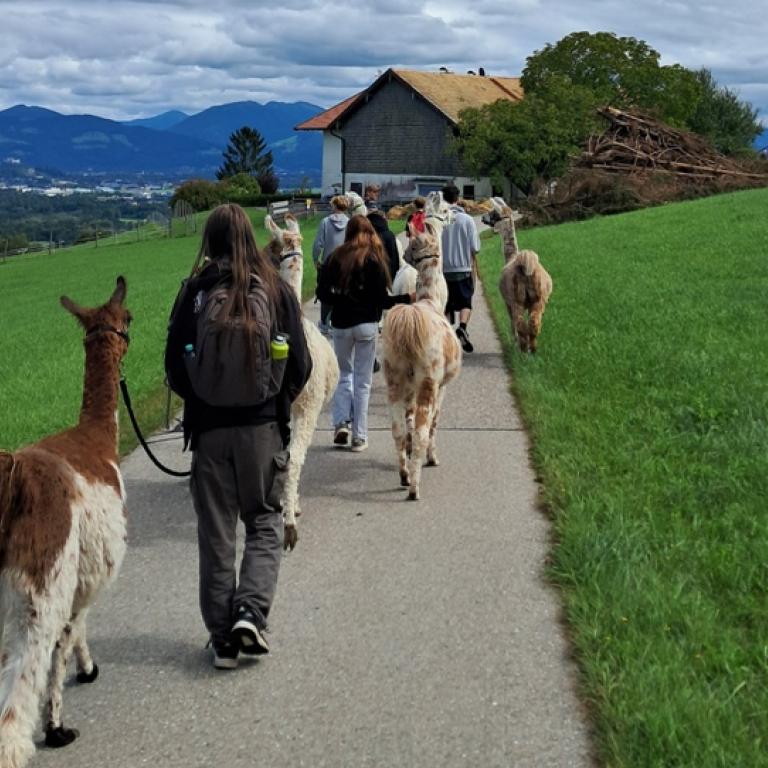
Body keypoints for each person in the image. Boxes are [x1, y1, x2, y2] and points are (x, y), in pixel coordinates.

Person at [165, 203, 312, 670]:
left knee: (216, 531)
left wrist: (203, 400)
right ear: (250, 236)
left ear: (209, 241)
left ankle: (222, 637)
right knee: (265, 519)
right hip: (262, 430)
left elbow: (174, 368)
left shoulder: (194, 292)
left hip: (209, 434)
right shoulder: (275, 288)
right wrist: (275, 402)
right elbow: (302, 364)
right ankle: (251, 611)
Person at [316, 215, 413, 452]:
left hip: (341, 323)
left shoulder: (334, 258)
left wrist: (340, 298)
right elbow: (382, 300)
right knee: (363, 381)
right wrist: (406, 299)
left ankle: (341, 423)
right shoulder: (375, 260)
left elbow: (323, 293)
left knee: (343, 375)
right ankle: (360, 436)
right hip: (368, 325)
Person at [440, 184, 481, 353]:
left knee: (447, 304)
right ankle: (462, 327)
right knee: (465, 302)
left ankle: (446, 335)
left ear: (443, 199)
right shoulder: (467, 220)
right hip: (463, 267)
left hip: (443, 269)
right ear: (458, 199)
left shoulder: (440, 219)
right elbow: (475, 247)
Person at [312, 195, 349, 334]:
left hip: (328, 264)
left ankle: (323, 324)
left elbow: (317, 245)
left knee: (325, 292)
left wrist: (316, 260)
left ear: (334, 206)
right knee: (342, 292)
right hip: (345, 264)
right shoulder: (350, 223)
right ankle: (337, 322)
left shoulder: (325, 222)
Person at [367, 209, 400, 283]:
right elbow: (395, 257)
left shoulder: (368, 235)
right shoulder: (389, 234)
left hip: (372, 277)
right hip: (389, 274)